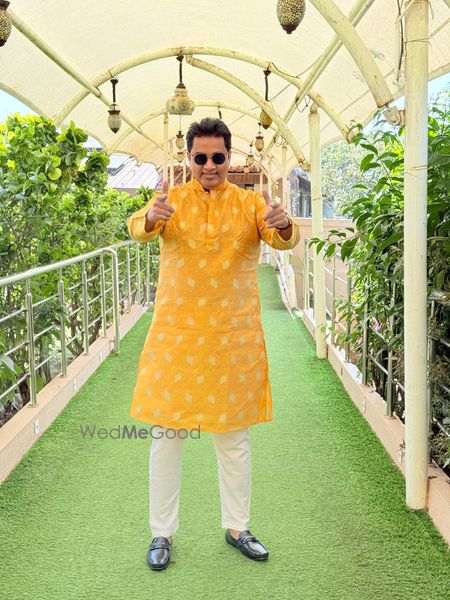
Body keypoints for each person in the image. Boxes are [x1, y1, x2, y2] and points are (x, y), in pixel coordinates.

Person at [127, 117, 300, 571]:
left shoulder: (249, 203)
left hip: (231, 340)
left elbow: (282, 238)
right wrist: (150, 217)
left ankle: (238, 527)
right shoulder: (171, 200)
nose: (209, 166)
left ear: (229, 157)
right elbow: (139, 227)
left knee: (234, 439)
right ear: (189, 158)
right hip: (176, 340)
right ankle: (161, 532)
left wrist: (285, 224)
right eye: (200, 157)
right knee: (167, 438)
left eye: (217, 157)